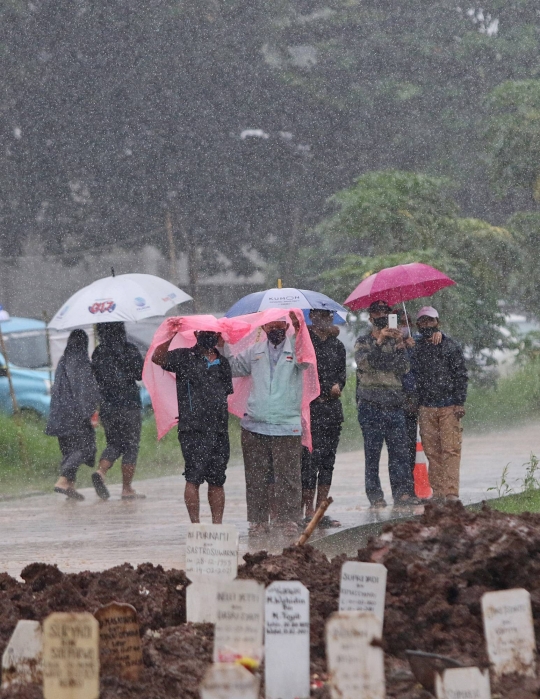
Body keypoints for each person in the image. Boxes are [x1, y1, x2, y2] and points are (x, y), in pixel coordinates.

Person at [225, 311, 308, 537]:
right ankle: (258, 521)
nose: (276, 329)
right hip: (254, 424)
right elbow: (232, 367)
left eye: (280, 324)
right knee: (256, 476)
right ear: (263, 327)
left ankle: (289, 519)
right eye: (271, 325)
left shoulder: (296, 349)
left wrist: (300, 329)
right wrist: (223, 340)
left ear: (286, 325)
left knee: (289, 476)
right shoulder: (255, 351)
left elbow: (307, 360)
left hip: (286, 424)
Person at [151, 329, 233, 523]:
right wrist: (170, 335)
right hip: (192, 429)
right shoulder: (183, 357)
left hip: (219, 430)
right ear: (195, 333)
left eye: (212, 332)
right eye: (204, 332)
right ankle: (195, 526)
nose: (208, 335)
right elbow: (158, 357)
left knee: (217, 479)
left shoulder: (224, 363)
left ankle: (217, 527)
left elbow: (226, 393)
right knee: (193, 478)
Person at [355, 300, 418, 508]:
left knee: (399, 453)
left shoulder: (396, 341)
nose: (381, 315)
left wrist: (401, 347)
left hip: (394, 403)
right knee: (372, 454)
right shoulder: (363, 341)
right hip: (370, 404)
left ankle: (402, 493)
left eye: (385, 312)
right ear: (370, 317)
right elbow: (366, 363)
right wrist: (379, 341)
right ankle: (375, 496)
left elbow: (403, 368)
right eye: (377, 312)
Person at [411, 306, 468, 502]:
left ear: (438, 322)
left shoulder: (450, 346)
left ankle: (451, 492)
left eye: (430, 320)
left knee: (451, 449)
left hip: (449, 405)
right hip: (426, 406)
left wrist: (459, 402)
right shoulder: (415, 347)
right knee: (432, 451)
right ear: (417, 324)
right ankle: (438, 492)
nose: (426, 324)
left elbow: (460, 375)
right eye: (423, 321)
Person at [301, 309, 346, 528]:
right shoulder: (305, 344)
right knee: (310, 462)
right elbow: (306, 375)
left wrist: (338, 385)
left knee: (328, 462)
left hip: (332, 411)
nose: (325, 319)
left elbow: (342, 375)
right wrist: (325, 388)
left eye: (328, 315)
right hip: (312, 410)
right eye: (320, 315)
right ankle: (307, 510)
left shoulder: (337, 346)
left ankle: (320, 510)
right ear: (312, 317)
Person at [90, 322, 145, 500]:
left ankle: (100, 472)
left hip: (108, 405)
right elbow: (140, 374)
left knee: (114, 443)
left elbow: (95, 377)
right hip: (129, 404)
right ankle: (127, 488)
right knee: (130, 445)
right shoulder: (129, 349)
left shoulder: (98, 352)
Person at [46, 329, 100, 500]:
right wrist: (91, 411)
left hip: (59, 415)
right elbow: (84, 391)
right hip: (76, 415)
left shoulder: (63, 361)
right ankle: (62, 480)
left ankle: (70, 486)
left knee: (69, 451)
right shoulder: (82, 363)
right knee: (86, 448)